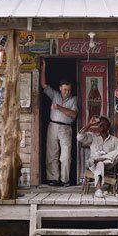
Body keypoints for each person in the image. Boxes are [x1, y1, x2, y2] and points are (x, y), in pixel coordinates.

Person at [40, 57, 78, 186]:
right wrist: (44, 65)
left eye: (69, 90)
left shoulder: (74, 99)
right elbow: (44, 85)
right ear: (60, 88)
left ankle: (64, 180)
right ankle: (54, 178)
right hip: (53, 126)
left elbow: (73, 114)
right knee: (52, 154)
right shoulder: (55, 95)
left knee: (66, 156)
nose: (67, 92)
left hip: (66, 128)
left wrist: (59, 107)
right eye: (64, 89)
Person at [77, 115, 118, 198]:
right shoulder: (92, 136)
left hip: (108, 164)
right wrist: (89, 124)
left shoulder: (114, 139)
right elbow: (79, 137)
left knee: (117, 152)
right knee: (100, 164)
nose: (101, 125)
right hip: (94, 165)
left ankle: (99, 159)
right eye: (99, 123)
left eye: (104, 123)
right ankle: (98, 190)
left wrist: (103, 158)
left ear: (108, 127)